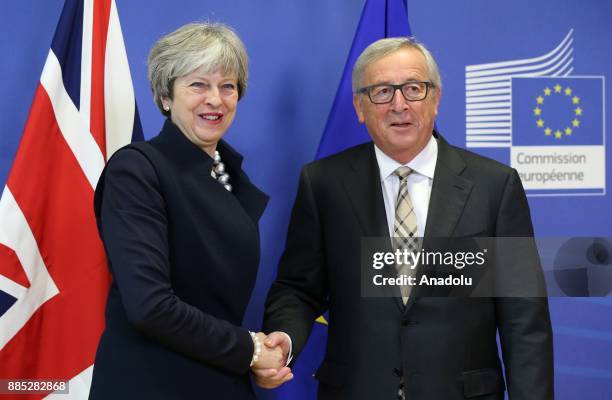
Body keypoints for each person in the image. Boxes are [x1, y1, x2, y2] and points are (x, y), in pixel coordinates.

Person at [254, 37, 554, 400]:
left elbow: (524, 318)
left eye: (413, 88)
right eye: (382, 91)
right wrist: (283, 341)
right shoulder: (323, 184)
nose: (399, 104)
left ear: (436, 98)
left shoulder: (495, 186)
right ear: (360, 107)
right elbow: (298, 288)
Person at [88, 23, 284, 400]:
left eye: (227, 86)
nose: (215, 99)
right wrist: (252, 350)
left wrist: (256, 356)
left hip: (219, 379)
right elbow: (151, 307)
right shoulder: (138, 169)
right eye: (198, 85)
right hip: (152, 385)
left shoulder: (228, 174)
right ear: (165, 96)